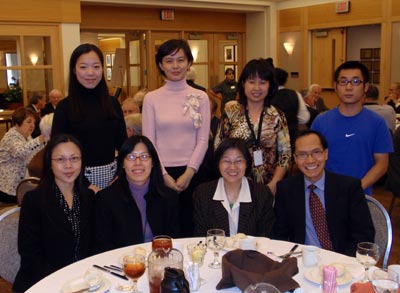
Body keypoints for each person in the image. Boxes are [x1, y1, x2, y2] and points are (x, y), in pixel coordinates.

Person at [142, 39, 210, 237]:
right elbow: (149, 141)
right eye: (169, 60)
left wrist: (189, 173)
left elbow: (203, 140)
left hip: (195, 173)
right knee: (165, 231)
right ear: (160, 65)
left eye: (181, 60)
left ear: (189, 63)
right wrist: (164, 175)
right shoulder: (151, 99)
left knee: (193, 229)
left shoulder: (201, 97)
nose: (175, 66)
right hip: (161, 173)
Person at [13, 134, 95, 292]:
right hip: (43, 282)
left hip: (82, 281)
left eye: (74, 158)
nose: (68, 166)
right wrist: (62, 281)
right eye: (60, 160)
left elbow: (92, 245)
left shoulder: (88, 198)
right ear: (49, 164)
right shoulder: (34, 200)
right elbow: (30, 254)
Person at [273, 130, 375, 257]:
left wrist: (341, 262)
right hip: (302, 261)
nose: (310, 160)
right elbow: (279, 234)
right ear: (295, 158)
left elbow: (364, 235)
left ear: (326, 154)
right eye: (302, 154)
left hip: (342, 262)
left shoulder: (349, 187)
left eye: (316, 152)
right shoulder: (286, 189)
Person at [311, 61, 393, 195]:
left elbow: (382, 164)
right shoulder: (321, 121)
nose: (348, 87)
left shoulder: (377, 123)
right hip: (325, 193)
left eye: (355, 82)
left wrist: (357, 188)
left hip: (361, 195)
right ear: (335, 86)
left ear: (365, 87)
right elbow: (311, 158)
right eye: (343, 82)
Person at [52, 43, 127, 190]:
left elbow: (123, 144)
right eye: (83, 67)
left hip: (112, 178)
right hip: (75, 179)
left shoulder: (113, 103)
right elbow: (57, 152)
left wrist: (119, 175)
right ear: (74, 70)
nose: (91, 73)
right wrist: (86, 185)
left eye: (96, 66)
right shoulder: (64, 107)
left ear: (103, 69)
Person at [214, 58, 291, 195]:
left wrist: (275, 183)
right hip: (234, 183)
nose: (256, 88)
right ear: (243, 84)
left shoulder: (277, 115)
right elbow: (218, 148)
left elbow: (285, 154)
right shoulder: (231, 113)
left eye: (262, 82)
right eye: (251, 82)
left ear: (270, 85)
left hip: (269, 186)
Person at [94, 135, 180, 253]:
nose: (138, 162)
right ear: (122, 163)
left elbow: (176, 241)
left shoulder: (169, 197)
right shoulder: (106, 199)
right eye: (131, 157)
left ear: (153, 162)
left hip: (161, 262)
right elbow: (103, 247)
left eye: (144, 156)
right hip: (122, 266)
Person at [193, 138, 275, 237]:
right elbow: (200, 237)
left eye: (239, 161)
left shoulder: (262, 194)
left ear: (247, 164)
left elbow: (266, 238)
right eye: (226, 161)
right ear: (218, 164)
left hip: (251, 252)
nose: (233, 167)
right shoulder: (203, 193)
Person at [0, 107, 46, 203]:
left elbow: (34, 154)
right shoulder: (11, 136)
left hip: (21, 183)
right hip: (9, 188)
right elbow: (20, 152)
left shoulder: (26, 136)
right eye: (28, 122)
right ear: (17, 123)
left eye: (33, 122)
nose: (32, 125)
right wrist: (40, 139)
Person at [271, 67, 310, 153]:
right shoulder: (295, 94)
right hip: (291, 137)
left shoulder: (267, 95)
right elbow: (305, 118)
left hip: (272, 139)